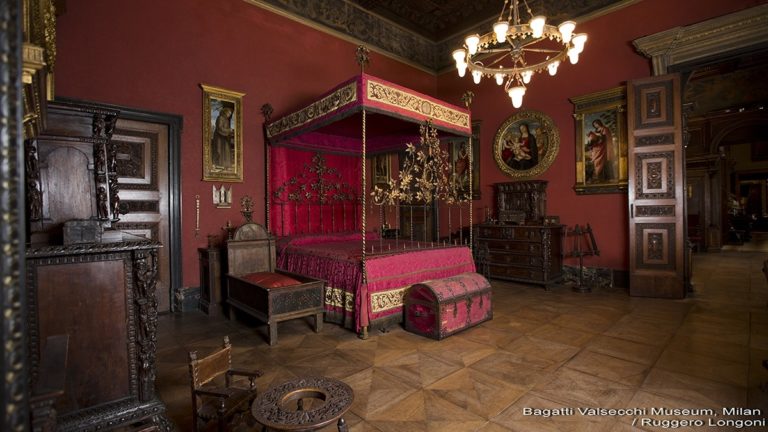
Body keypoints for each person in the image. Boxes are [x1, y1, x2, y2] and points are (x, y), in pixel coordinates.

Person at [211, 106, 235, 170]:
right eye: (228, 113)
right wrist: (229, 130)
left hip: (225, 137)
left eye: (230, 114)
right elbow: (219, 128)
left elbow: (226, 128)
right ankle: (216, 164)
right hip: (219, 136)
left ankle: (225, 165)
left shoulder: (226, 120)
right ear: (225, 112)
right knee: (218, 150)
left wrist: (230, 131)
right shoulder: (220, 118)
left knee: (226, 151)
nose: (229, 115)